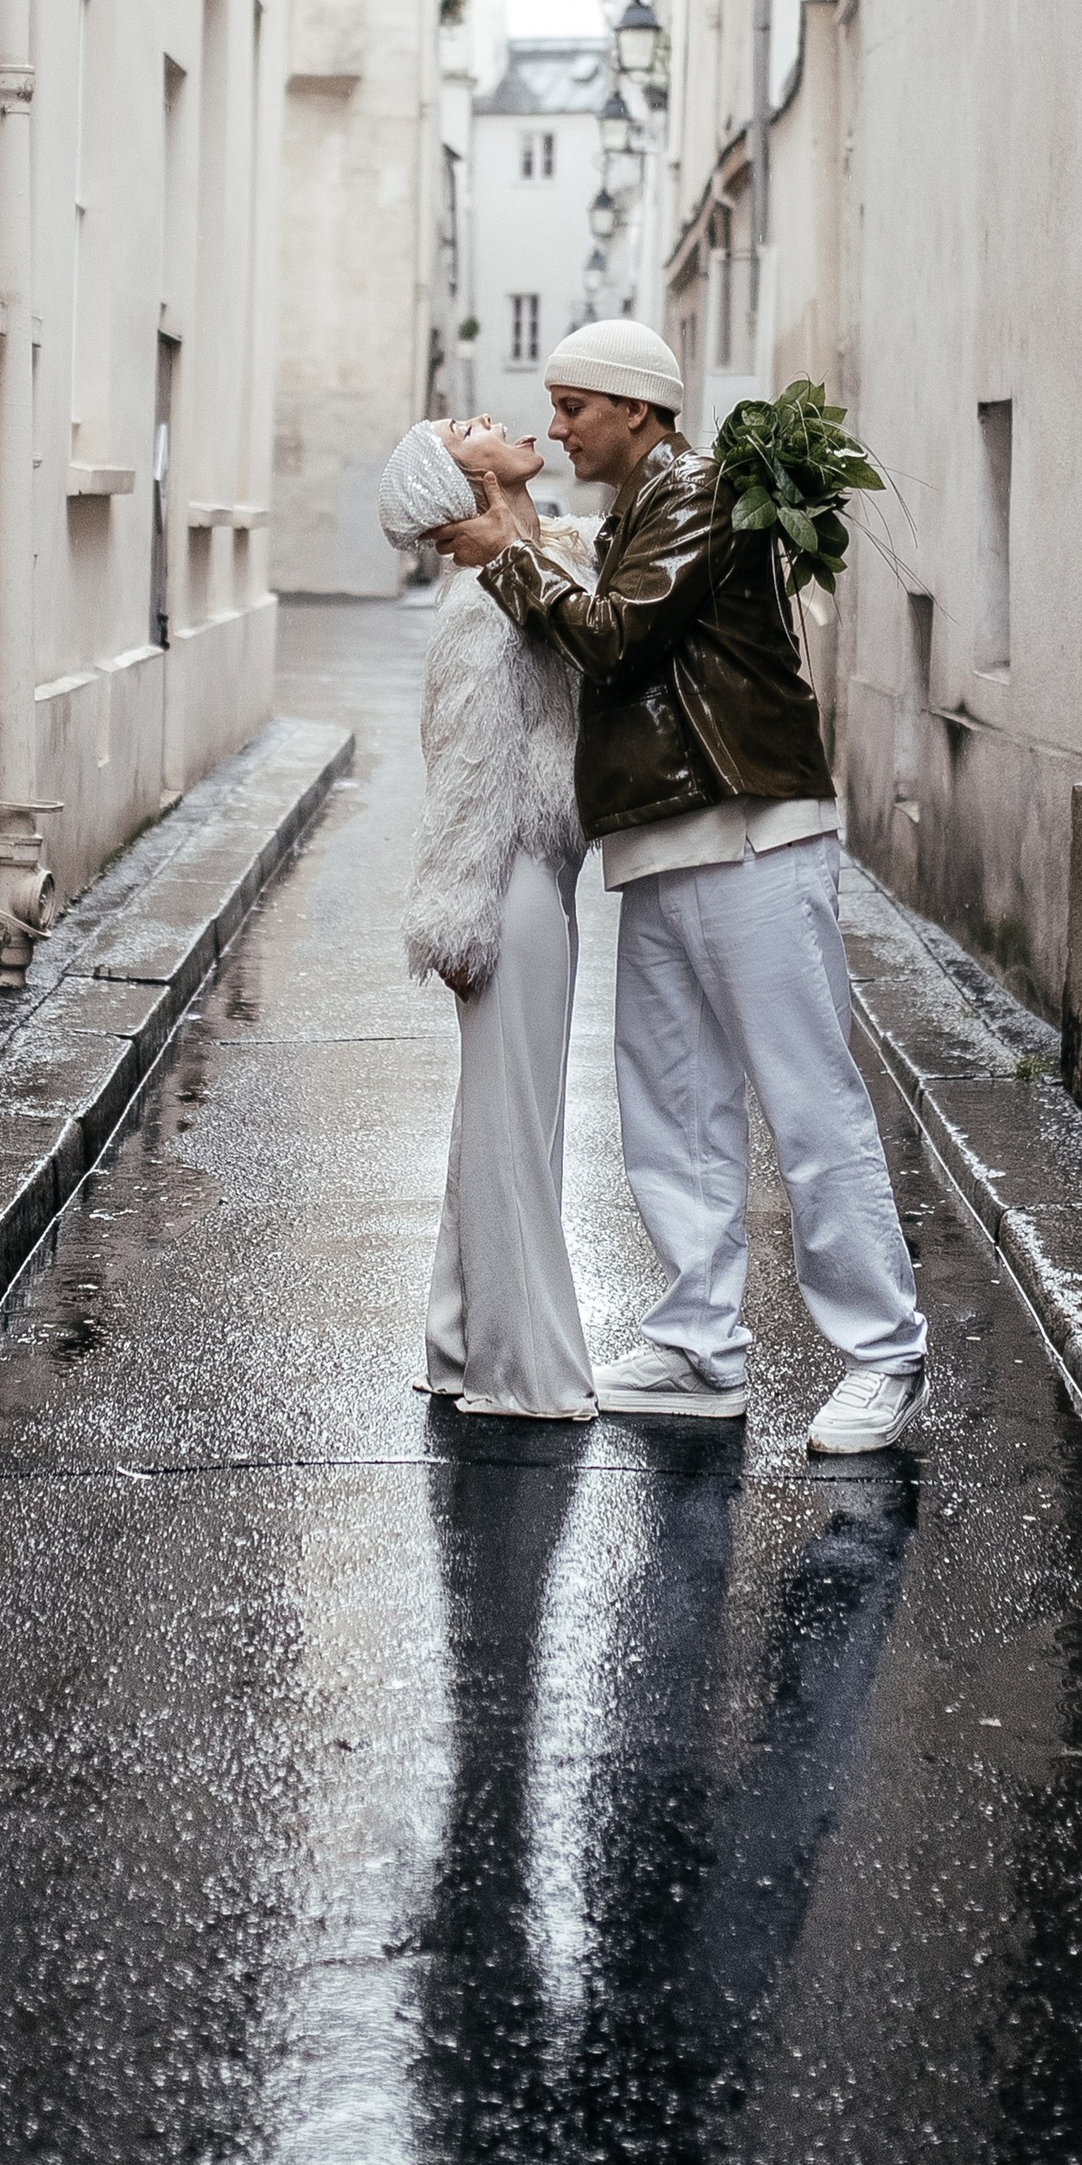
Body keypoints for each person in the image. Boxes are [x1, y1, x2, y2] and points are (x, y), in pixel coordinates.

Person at [433, 320, 930, 1459]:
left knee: (806, 1101)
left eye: (573, 407)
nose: (555, 427)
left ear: (638, 410)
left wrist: (502, 556)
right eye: (552, 407)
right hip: (663, 839)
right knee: (672, 1104)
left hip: (748, 828)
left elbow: (615, 640)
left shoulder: (697, 493)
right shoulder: (632, 513)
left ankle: (884, 1351)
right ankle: (699, 1347)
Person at [379, 415, 597, 1424]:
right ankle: (523, 1372)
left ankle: (463, 1342)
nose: (499, 421)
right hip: (508, 883)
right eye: (468, 429)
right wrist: (459, 925)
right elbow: (465, 779)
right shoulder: (479, 600)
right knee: (513, 1132)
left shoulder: (538, 560)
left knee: (505, 1124)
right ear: (463, 480)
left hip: (541, 872)